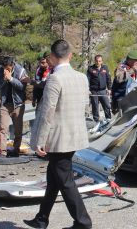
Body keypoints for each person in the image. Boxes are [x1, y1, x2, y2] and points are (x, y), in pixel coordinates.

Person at [25, 40, 92, 229]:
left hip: (58, 138)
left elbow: (47, 112)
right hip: (74, 134)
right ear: (70, 55)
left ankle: (83, 222)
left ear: (52, 58)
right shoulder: (82, 77)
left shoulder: (55, 78)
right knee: (53, 178)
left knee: (65, 181)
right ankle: (41, 219)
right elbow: (85, 106)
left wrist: (40, 140)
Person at [0, 56, 30, 157]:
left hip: (18, 104)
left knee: (18, 130)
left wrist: (11, 79)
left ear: (12, 64)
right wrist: (4, 79)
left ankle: (16, 150)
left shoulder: (21, 70)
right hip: (5, 104)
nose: (6, 69)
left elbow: (22, 87)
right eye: (4, 67)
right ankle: (2, 151)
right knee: (3, 129)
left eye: (8, 67)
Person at [111, 50, 137, 114]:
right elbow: (118, 78)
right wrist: (132, 70)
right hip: (121, 99)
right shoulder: (121, 67)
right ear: (130, 60)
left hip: (132, 99)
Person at [87, 54, 112, 123]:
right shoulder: (90, 68)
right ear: (95, 61)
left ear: (102, 61)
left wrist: (109, 89)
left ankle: (108, 118)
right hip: (94, 91)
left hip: (103, 90)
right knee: (95, 106)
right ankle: (96, 120)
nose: (98, 62)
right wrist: (88, 90)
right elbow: (87, 80)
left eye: (99, 61)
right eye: (97, 61)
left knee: (106, 105)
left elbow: (108, 79)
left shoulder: (105, 68)